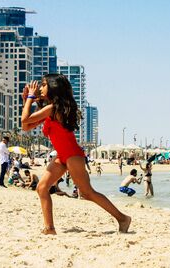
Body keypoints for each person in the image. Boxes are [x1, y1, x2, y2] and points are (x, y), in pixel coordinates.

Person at [21, 76, 131, 234]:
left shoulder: (53, 108)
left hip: (73, 155)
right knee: (42, 187)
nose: (41, 87)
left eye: (44, 85)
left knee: (87, 193)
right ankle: (49, 228)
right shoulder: (50, 110)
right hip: (62, 156)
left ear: (53, 88)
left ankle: (123, 218)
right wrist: (27, 100)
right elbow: (25, 126)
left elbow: (25, 119)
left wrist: (30, 98)